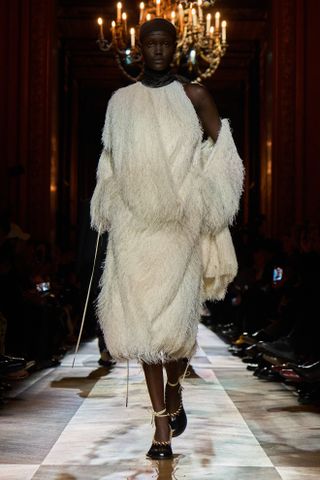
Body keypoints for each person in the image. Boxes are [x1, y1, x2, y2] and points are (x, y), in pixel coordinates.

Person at [90, 18, 244, 459]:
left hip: (179, 227)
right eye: (150, 43)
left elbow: (223, 148)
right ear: (139, 49)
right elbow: (111, 160)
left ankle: (175, 388)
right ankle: (160, 425)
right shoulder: (120, 101)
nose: (157, 50)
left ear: (175, 48)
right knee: (144, 330)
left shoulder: (194, 95)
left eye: (165, 43)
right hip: (134, 229)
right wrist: (110, 203)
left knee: (174, 327)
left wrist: (205, 196)